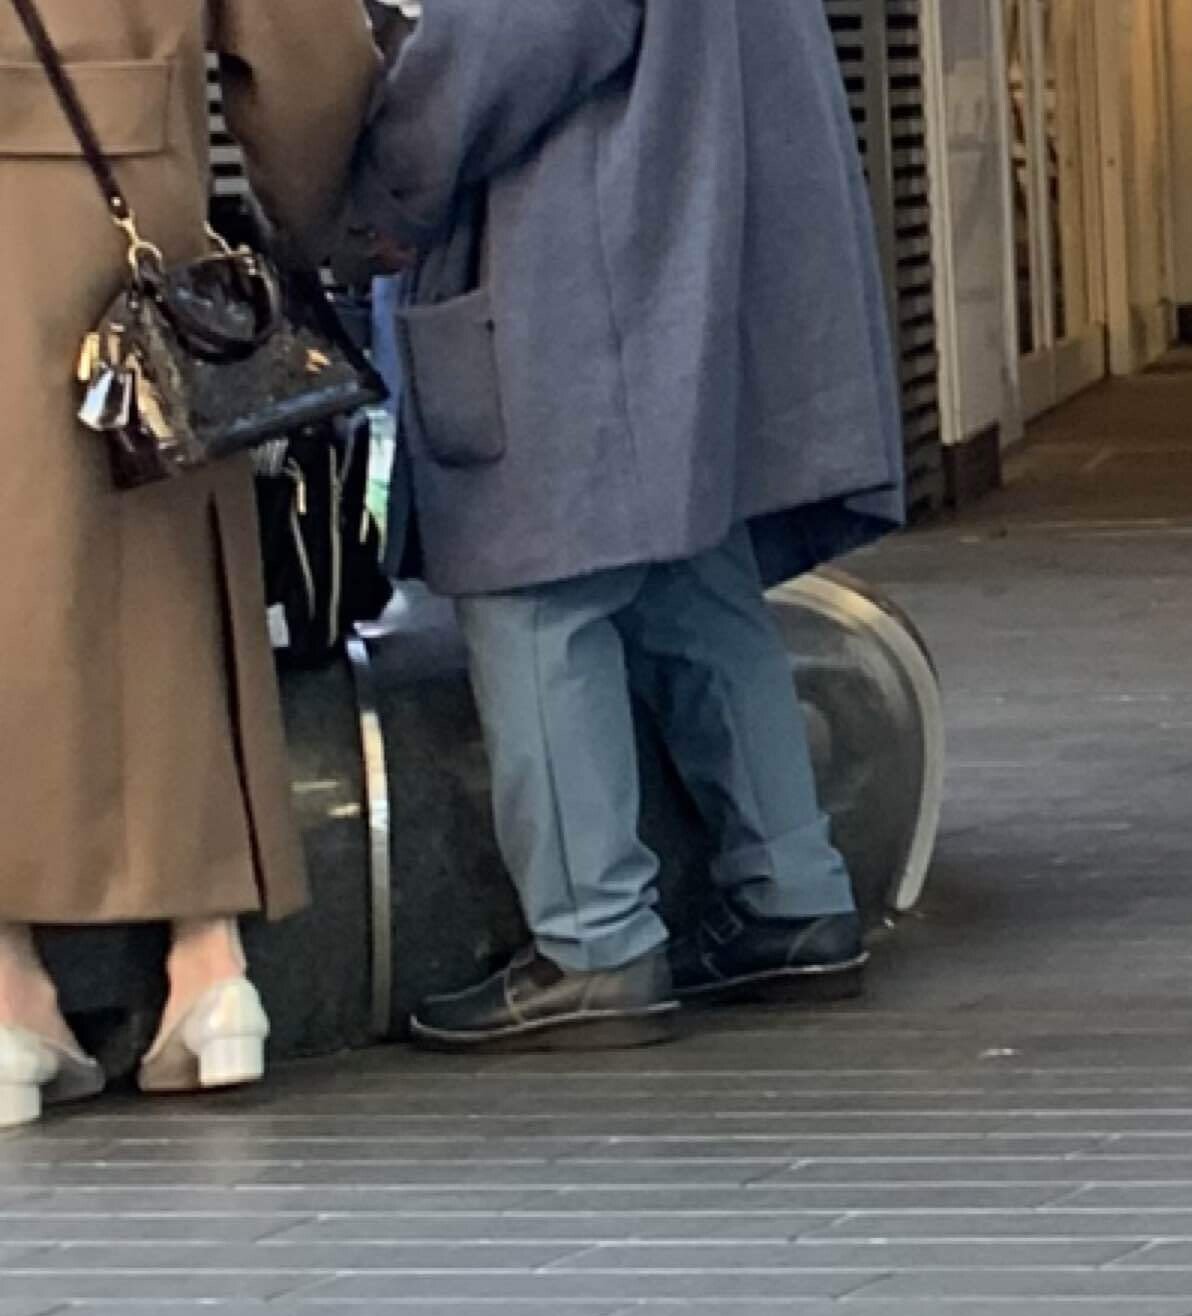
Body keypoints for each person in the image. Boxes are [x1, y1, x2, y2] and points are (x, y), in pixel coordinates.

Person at [351, 0, 905, 1054]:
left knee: (534, 585)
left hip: (575, 259)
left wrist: (370, 190)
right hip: (691, 239)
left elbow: (495, 47)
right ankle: (793, 898)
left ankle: (591, 947)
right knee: (694, 574)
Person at [0, 0, 375, 1125]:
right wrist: (302, 221)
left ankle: (11, 991)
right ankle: (209, 972)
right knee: (168, 584)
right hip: (139, 220)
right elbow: (310, 56)